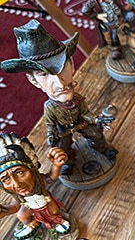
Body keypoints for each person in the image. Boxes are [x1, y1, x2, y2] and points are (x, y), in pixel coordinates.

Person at [0, 20, 117, 177]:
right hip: (64, 132)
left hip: (81, 124)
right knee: (63, 149)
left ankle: (103, 148)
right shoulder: (50, 107)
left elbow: (85, 113)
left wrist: (96, 120)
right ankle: (69, 162)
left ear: (72, 64)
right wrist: (51, 136)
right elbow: (50, 125)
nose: (60, 84)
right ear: (33, 81)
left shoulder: (77, 99)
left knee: (96, 134)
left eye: (61, 69)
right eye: (44, 74)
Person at [0, 133, 71, 240]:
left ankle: (57, 221)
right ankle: (30, 224)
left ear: (31, 170)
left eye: (19, 173)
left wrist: (56, 165)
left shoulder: (39, 183)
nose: (16, 184)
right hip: (29, 207)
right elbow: (14, 207)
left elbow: (51, 176)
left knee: (53, 212)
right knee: (22, 215)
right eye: (6, 179)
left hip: (45, 203)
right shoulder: (19, 196)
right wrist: (4, 211)